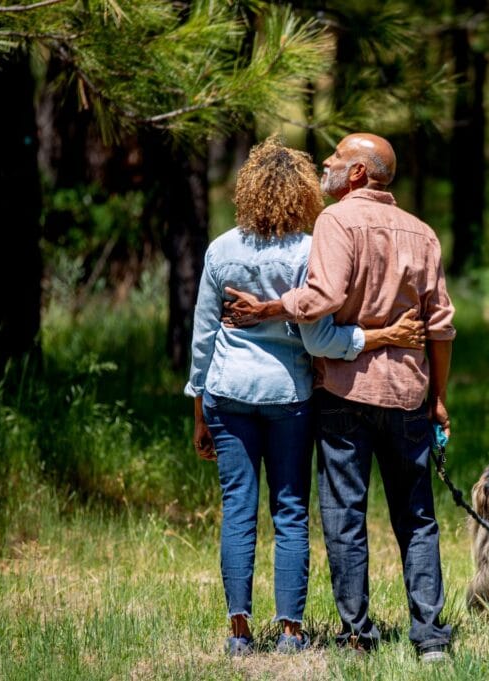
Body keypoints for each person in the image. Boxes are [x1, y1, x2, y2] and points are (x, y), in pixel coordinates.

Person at [186, 139, 426, 658]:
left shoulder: (221, 249)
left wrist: (199, 409)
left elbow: (203, 337)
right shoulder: (309, 248)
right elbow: (319, 340)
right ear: (300, 194)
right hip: (290, 396)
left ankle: (239, 632)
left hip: (227, 394)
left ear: (247, 190)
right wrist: (378, 338)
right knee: (291, 510)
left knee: (238, 510)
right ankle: (292, 631)